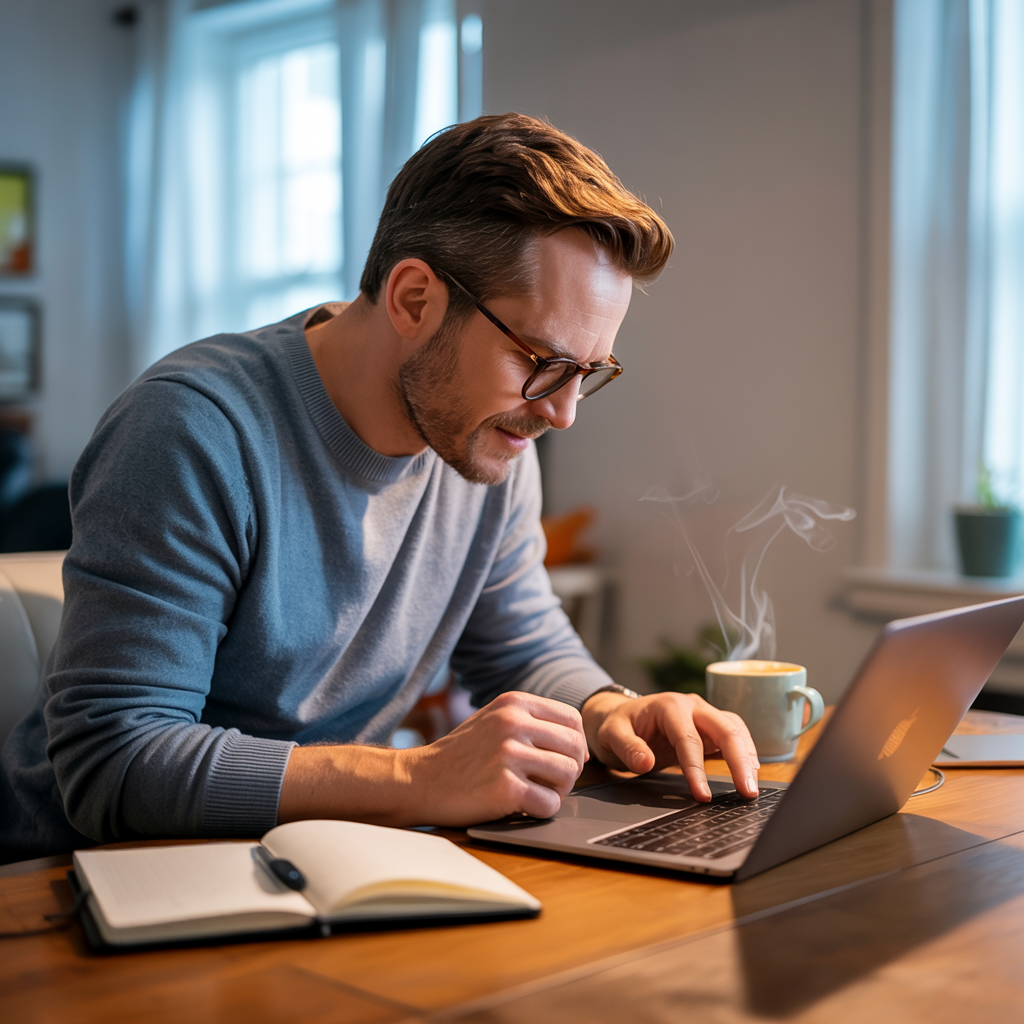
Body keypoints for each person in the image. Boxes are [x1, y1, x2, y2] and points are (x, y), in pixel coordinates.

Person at [0, 114, 759, 862]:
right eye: (543, 361)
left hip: (312, 862)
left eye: (589, 375)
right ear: (415, 300)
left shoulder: (488, 443)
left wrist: (611, 712)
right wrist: (417, 777)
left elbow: (522, 646)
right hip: (77, 886)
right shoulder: (191, 431)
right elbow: (116, 764)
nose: (561, 412)